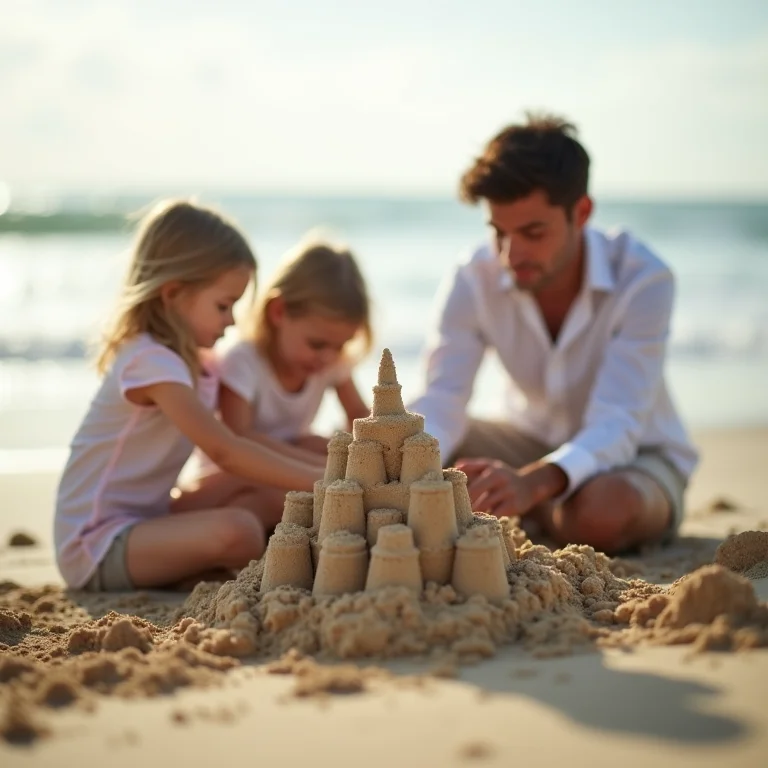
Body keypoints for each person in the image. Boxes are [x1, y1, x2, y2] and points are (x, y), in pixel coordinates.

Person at [409, 113, 699, 555]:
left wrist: (535, 483)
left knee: (602, 513)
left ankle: (527, 505)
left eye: (533, 232)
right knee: (416, 448)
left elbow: (617, 421)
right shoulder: (473, 277)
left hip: (637, 455)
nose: (511, 254)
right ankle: (530, 506)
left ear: (581, 213)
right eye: (499, 233)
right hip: (523, 442)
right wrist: (411, 468)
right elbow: (442, 398)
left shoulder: (643, 278)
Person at [54, 200, 324, 591]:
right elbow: (224, 451)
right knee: (241, 530)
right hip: (95, 547)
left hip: (149, 517)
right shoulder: (150, 362)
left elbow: (240, 446)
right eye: (223, 305)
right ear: (174, 293)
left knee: (270, 497)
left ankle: (211, 565)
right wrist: (325, 479)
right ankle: (213, 573)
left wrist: (315, 471)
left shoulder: (198, 363)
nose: (232, 320)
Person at [186, 233, 372, 514]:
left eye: (340, 345)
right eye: (317, 344)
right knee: (304, 465)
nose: (328, 357)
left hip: (293, 469)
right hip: (231, 477)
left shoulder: (331, 361)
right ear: (278, 312)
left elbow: (360, 417)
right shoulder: (244, 361)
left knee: (321, 445)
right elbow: (240, 437)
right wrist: (317, 466)